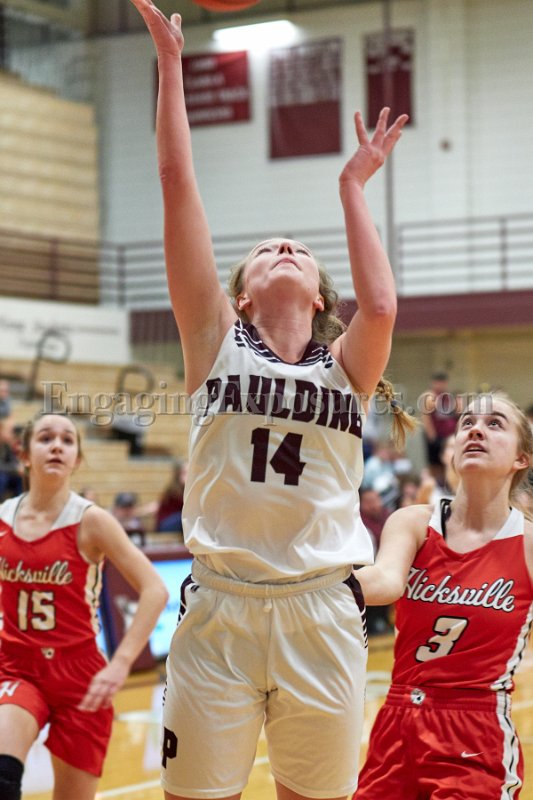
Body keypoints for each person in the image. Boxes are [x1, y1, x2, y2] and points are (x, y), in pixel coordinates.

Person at [129, 3, 413, 799]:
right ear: (242, 296)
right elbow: (176, 184)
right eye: (263, 250)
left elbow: (381, 306)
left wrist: (351, 186)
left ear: (320, 297)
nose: (283, 246)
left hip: (321, 608)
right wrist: (170, 62)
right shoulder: (213, 338)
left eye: (297, 249)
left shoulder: (347, 366)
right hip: (219, 606)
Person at [354, 394, 533, 799]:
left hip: (477, 726)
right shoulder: (414, 523)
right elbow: (384, 581)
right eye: (468, 422)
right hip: (398, 719)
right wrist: (317, 580)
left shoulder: (527, 544)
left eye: (494, 423)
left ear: (521, 458)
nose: (476, 429)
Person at [0, 413, 169, 800]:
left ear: (77, 459)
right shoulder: (3, 518)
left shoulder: (92, 521)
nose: (57, 446)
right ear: (24, 454)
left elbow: (154, 590)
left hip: (80, 675)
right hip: (17, 666)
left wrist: (121, 663)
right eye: (45, 438)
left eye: (67, 440)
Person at [421, 371, 460, 485]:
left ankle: (449, 484)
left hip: (449, 436)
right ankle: (436, 486)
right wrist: (432, 437)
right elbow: (426, 418)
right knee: (436, 464)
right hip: (436, 437)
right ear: (434, 383)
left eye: (443, 383)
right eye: (438, 383)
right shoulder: (430, 396)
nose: (441, 385)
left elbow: (457, 414)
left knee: (448, 462)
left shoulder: (448, 397)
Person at [155, 458, 188, 533]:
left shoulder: (185, 489)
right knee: (186, 516)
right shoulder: (174, 490)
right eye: (185, 473)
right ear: (178, 475)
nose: (188, 476)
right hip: (166, 524)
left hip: (176, 521)